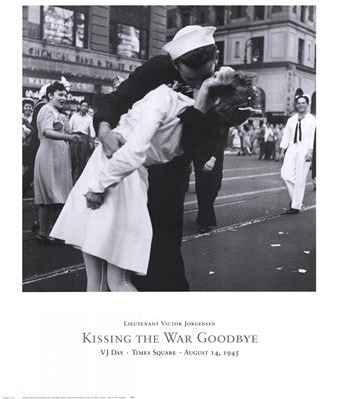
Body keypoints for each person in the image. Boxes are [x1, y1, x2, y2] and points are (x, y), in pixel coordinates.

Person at [51, 68, 256, 291]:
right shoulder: (196, 122)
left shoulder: (168, 99)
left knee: (108, 282)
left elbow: (133, 150)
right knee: (110, 280)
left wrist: (98, 185)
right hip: (128, 180)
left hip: (113, 173)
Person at [90, 25, 253, 291]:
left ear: (216, 57)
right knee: (122, 245)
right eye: (190, 80)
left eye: (205, 76)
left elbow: (213, 130)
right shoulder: (156, 70)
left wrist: (218, 97)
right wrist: (104, 128)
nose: (198, 84)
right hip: (131, 169)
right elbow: (119, 98)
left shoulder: (222, 82)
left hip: (172, 167)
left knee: (163, 247)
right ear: (176, 66)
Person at [33, 81, 82, 244]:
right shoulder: (47, 109)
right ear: (50, 96)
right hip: (49, 154)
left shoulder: (56, 112)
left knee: (56, 196)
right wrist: (69, 137)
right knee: (51, 195)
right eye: (60, 95)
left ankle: (44, 229)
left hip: (57, 156)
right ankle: (43, 230)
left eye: (65, 95)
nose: (64, 98)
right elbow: (47, 131)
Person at [279, 94, 316, 214]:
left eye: (303, 103)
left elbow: (312, 137)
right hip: (292, 148)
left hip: (305, 150)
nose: (301, 105)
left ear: (307, 104)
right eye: (299, 103)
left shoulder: (312, 120)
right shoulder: (292, 119)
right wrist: (281, 151)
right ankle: (297, 198)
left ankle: (295, 205)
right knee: (285, 174)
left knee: (300, 178)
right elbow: (286, 135)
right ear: (296, 104)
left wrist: (310, 151)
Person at [69, 100, 96, 182]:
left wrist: (91, 141)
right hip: (74, 136)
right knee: (72, 158)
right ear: (79, 106)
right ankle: (70, 179)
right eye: (83, 106)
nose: (84, 108)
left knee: (82, 160)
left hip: (84, 138)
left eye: (86, 106)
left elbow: (92, 131)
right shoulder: (74, 116)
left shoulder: (90, 118)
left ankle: (79, 181)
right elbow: (70, 127)